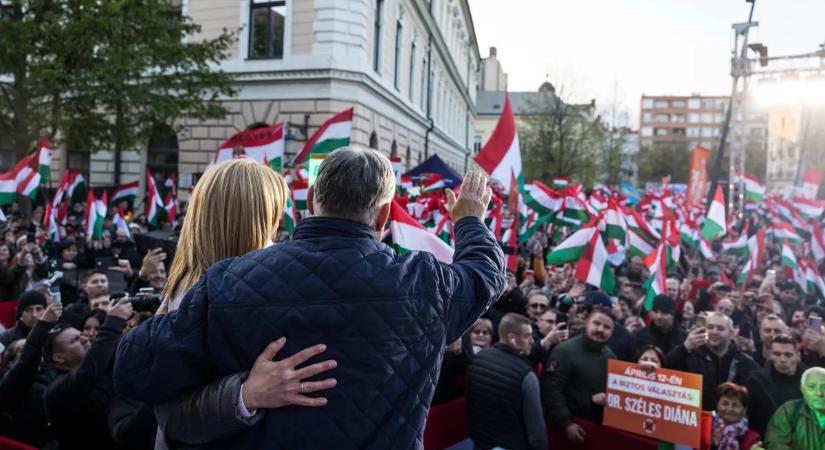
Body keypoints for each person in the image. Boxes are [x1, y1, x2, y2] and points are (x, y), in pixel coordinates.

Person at [113, 148, 506, 449]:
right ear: (384, 215)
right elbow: (486, 274)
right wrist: (470, 219)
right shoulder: (426, 284)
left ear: (312, 198)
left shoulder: (228, 279)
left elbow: (132, 368)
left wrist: (157, 318)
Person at [44, 298, 142, 450]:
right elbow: (87, 374)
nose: (85, 338)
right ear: (58, 357)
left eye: (80, 334)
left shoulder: (101, 368)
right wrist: (112, 323)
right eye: (75, 340)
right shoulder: (56, 390)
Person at [465, 313, 548, 450]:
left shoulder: (477, 359)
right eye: (527, 336)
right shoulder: (526, 375)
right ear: (512, 339)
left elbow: (469, 407)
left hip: (480, 442)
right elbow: (536, 429)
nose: (532, 341)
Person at [542, 306, 617, 444]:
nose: (600, 329)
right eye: (596, 323)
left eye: (606, 327)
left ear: (612, 332)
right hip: (565, 428)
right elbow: (552, 390)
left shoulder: (611, 358)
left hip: (594, 430)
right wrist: (566, 423)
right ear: (587, 322)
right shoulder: (565, 351)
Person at [666, 312, 759, 411]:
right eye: (710, 327)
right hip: (698, 419)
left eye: (720, 328)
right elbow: (665, 368)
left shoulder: (745, 362)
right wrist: (684, 348)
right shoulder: (690, 356)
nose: (714, 332)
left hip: (730, 421)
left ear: (731, 334)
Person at [0, 302, 61, 446]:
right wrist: (43, 324)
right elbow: (26, 365)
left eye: (39, 309)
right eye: (23, 351)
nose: (33, 355)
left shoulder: (53, 374)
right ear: (10, 362)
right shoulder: (9, 385)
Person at [745, 334, 804, 438]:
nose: (782, 359)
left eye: (788, 355)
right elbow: (751, 420)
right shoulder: (756, 382)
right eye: (777, 354)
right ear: (770, 355)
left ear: (798, 356)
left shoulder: (809, 380)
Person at [762, 367, 825, 450]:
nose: (819, 393)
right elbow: (775, 443)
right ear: (802, 389)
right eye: (811, 387)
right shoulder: (789, 411)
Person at [712, 382, 761, 450]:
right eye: (725, 404)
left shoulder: (752, 438)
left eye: (735, 405)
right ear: (717, 405)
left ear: (745, 410)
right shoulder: (707, 430)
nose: (729, 409)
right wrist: (711, 444)